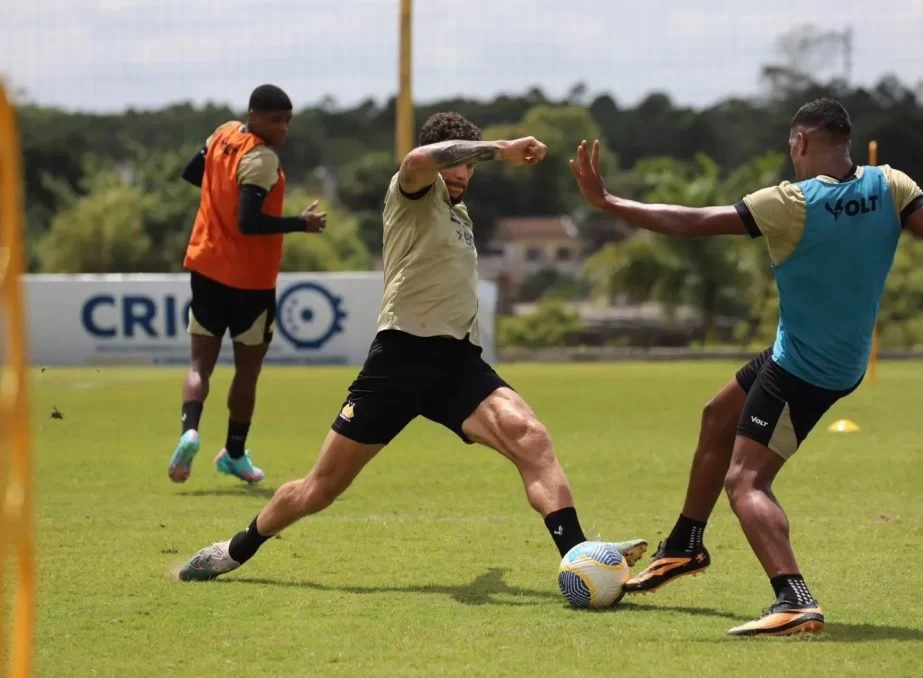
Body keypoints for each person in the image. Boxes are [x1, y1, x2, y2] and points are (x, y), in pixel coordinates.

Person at [571, 98, 923, 636]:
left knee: (745, 482)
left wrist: (607, 201)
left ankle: (794, 599)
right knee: (718, 415)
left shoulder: (791, 202)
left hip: (805, 368)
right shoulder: (891, 185)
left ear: (802, 141)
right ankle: (684, 545)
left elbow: (689, 223)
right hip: (828, 355)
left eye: (791, 146)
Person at [176, 111, 646, 582]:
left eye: (470, 166)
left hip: (458, 363)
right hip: (400, 361)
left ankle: (580, 559)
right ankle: (232, 550)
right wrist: (500, 149)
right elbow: (419, 159)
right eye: (457, 161)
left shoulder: (460, 215)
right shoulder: (413, 189)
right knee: (319, 489)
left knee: (532, 437)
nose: (463, 173)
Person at [168, 84, 327, 486]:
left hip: (206, 266)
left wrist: (218, 200)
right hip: (251, 281)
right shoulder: (262, 158)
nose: (283, 128)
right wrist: (300, 224)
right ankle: (235, 453)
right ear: (254, 116)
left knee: (199, 365)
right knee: (247, 370)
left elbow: (193, 173)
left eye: (288, 120)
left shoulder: (222, 133)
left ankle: (190, 431)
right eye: (275, 120)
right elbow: (248, 222)